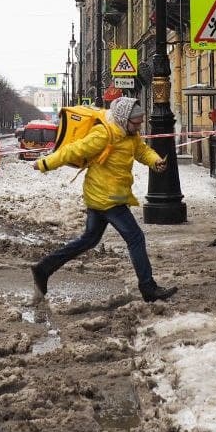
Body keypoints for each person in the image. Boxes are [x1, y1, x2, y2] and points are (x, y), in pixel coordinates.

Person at [30, 96, 176, 303]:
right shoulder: (103, 134)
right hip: (107, 198)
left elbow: (141, 150)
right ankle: (148, 287)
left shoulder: (129, 134)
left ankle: (43, 269)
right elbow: (74, 150)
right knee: (135, 238)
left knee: (89, 240)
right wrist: (45, 163)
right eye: (137, 122)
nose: (139, 126)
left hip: (104, 196)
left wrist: (155, 161)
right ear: (125, 119)